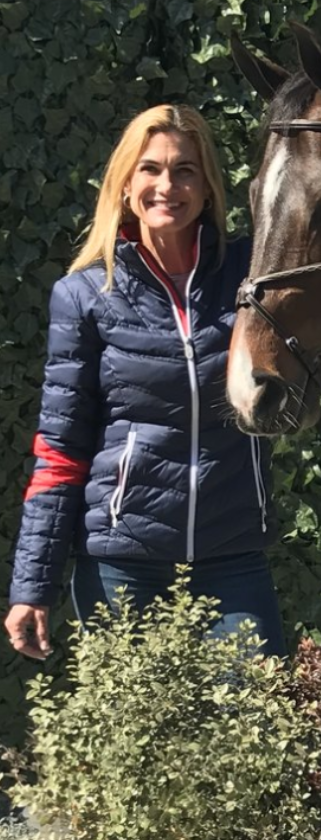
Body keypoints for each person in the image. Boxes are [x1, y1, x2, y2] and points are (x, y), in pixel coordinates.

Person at [5, 105, 284, 659]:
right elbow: (60, 451)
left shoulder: (253, 273)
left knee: (257, 731)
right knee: (132, 743)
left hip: (233, 556)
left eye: (185, 170)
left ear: (208, 187)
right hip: (122, 562)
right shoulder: (85, 295)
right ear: (126, 184)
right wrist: (32, 588)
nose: (167, 186)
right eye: (150, 169)